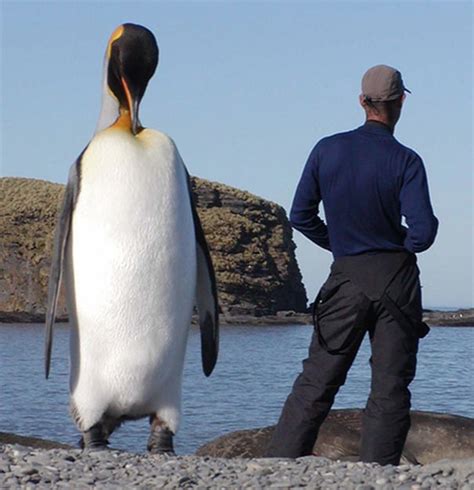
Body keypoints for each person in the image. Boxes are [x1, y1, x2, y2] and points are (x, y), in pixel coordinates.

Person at [266, 64, 438, 466]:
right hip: (397, 283)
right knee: (390, 386)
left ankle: (278, 464)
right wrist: (396, 244)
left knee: (317, 381)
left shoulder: (327, 149)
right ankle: (376, 471)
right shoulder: (407, 161)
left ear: (362, 102)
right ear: (400, 103)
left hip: (345, 279)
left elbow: (301, 215)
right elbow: (424, 233)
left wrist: (339, 244)